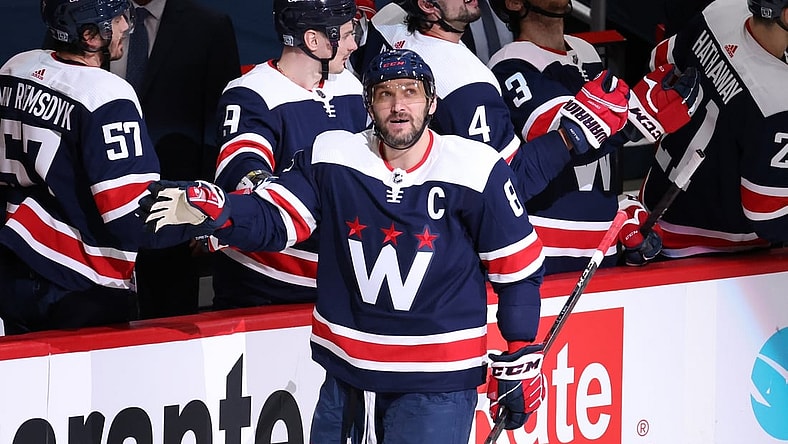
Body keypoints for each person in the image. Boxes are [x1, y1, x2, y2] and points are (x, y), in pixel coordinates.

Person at [138, 49, 547, 442]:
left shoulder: (477, 169)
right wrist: (220, 212)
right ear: (368, 105)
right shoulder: (333, 155)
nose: (398, 106)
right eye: (386, 94)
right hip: (346, 380)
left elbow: (519, 270)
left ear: (432, 101)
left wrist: (521, 354)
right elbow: (276, 219)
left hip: (434, 384)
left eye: (410, 91)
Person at [0, 0, 177, 334]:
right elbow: (130, 213)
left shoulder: (14, 67)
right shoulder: (107, 94)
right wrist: (207, 216)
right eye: (116, 19)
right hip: (81, 277)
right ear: (90, 35)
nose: (125, 25)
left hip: (14, 260)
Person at [351, 0, 633, 205]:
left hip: (368, 191)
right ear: (426, 5)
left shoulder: (386, 22)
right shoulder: (470, 83)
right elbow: (510, 184)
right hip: (423, 221)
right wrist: (572, 135)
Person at [487, 0, 700, 271]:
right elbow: (563, 134)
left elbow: (603, 141)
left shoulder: (585, 50)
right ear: (514, 3)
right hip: (544, 250)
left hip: (602, 248)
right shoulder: (508, 63)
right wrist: (638, 117)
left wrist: (620, 208)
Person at [209, 0, 369, 309]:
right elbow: (243, 176)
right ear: (313, 40)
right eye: (347, 34)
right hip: (264, 287)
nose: (353, 44)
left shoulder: (351, 86)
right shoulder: (250, 93)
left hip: (339, 284)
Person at [116, 0, 241, 318]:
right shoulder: (92, 18)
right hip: (100, 205)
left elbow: (220, 129)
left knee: (168, 317)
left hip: (174, 205)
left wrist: (207, 217)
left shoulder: (209, 27)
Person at [637, 0, 788, 259]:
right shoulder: (777, 102)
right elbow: (769, 216)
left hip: (649, 207)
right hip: (710, 249)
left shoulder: (721, 10)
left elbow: (660, 62)